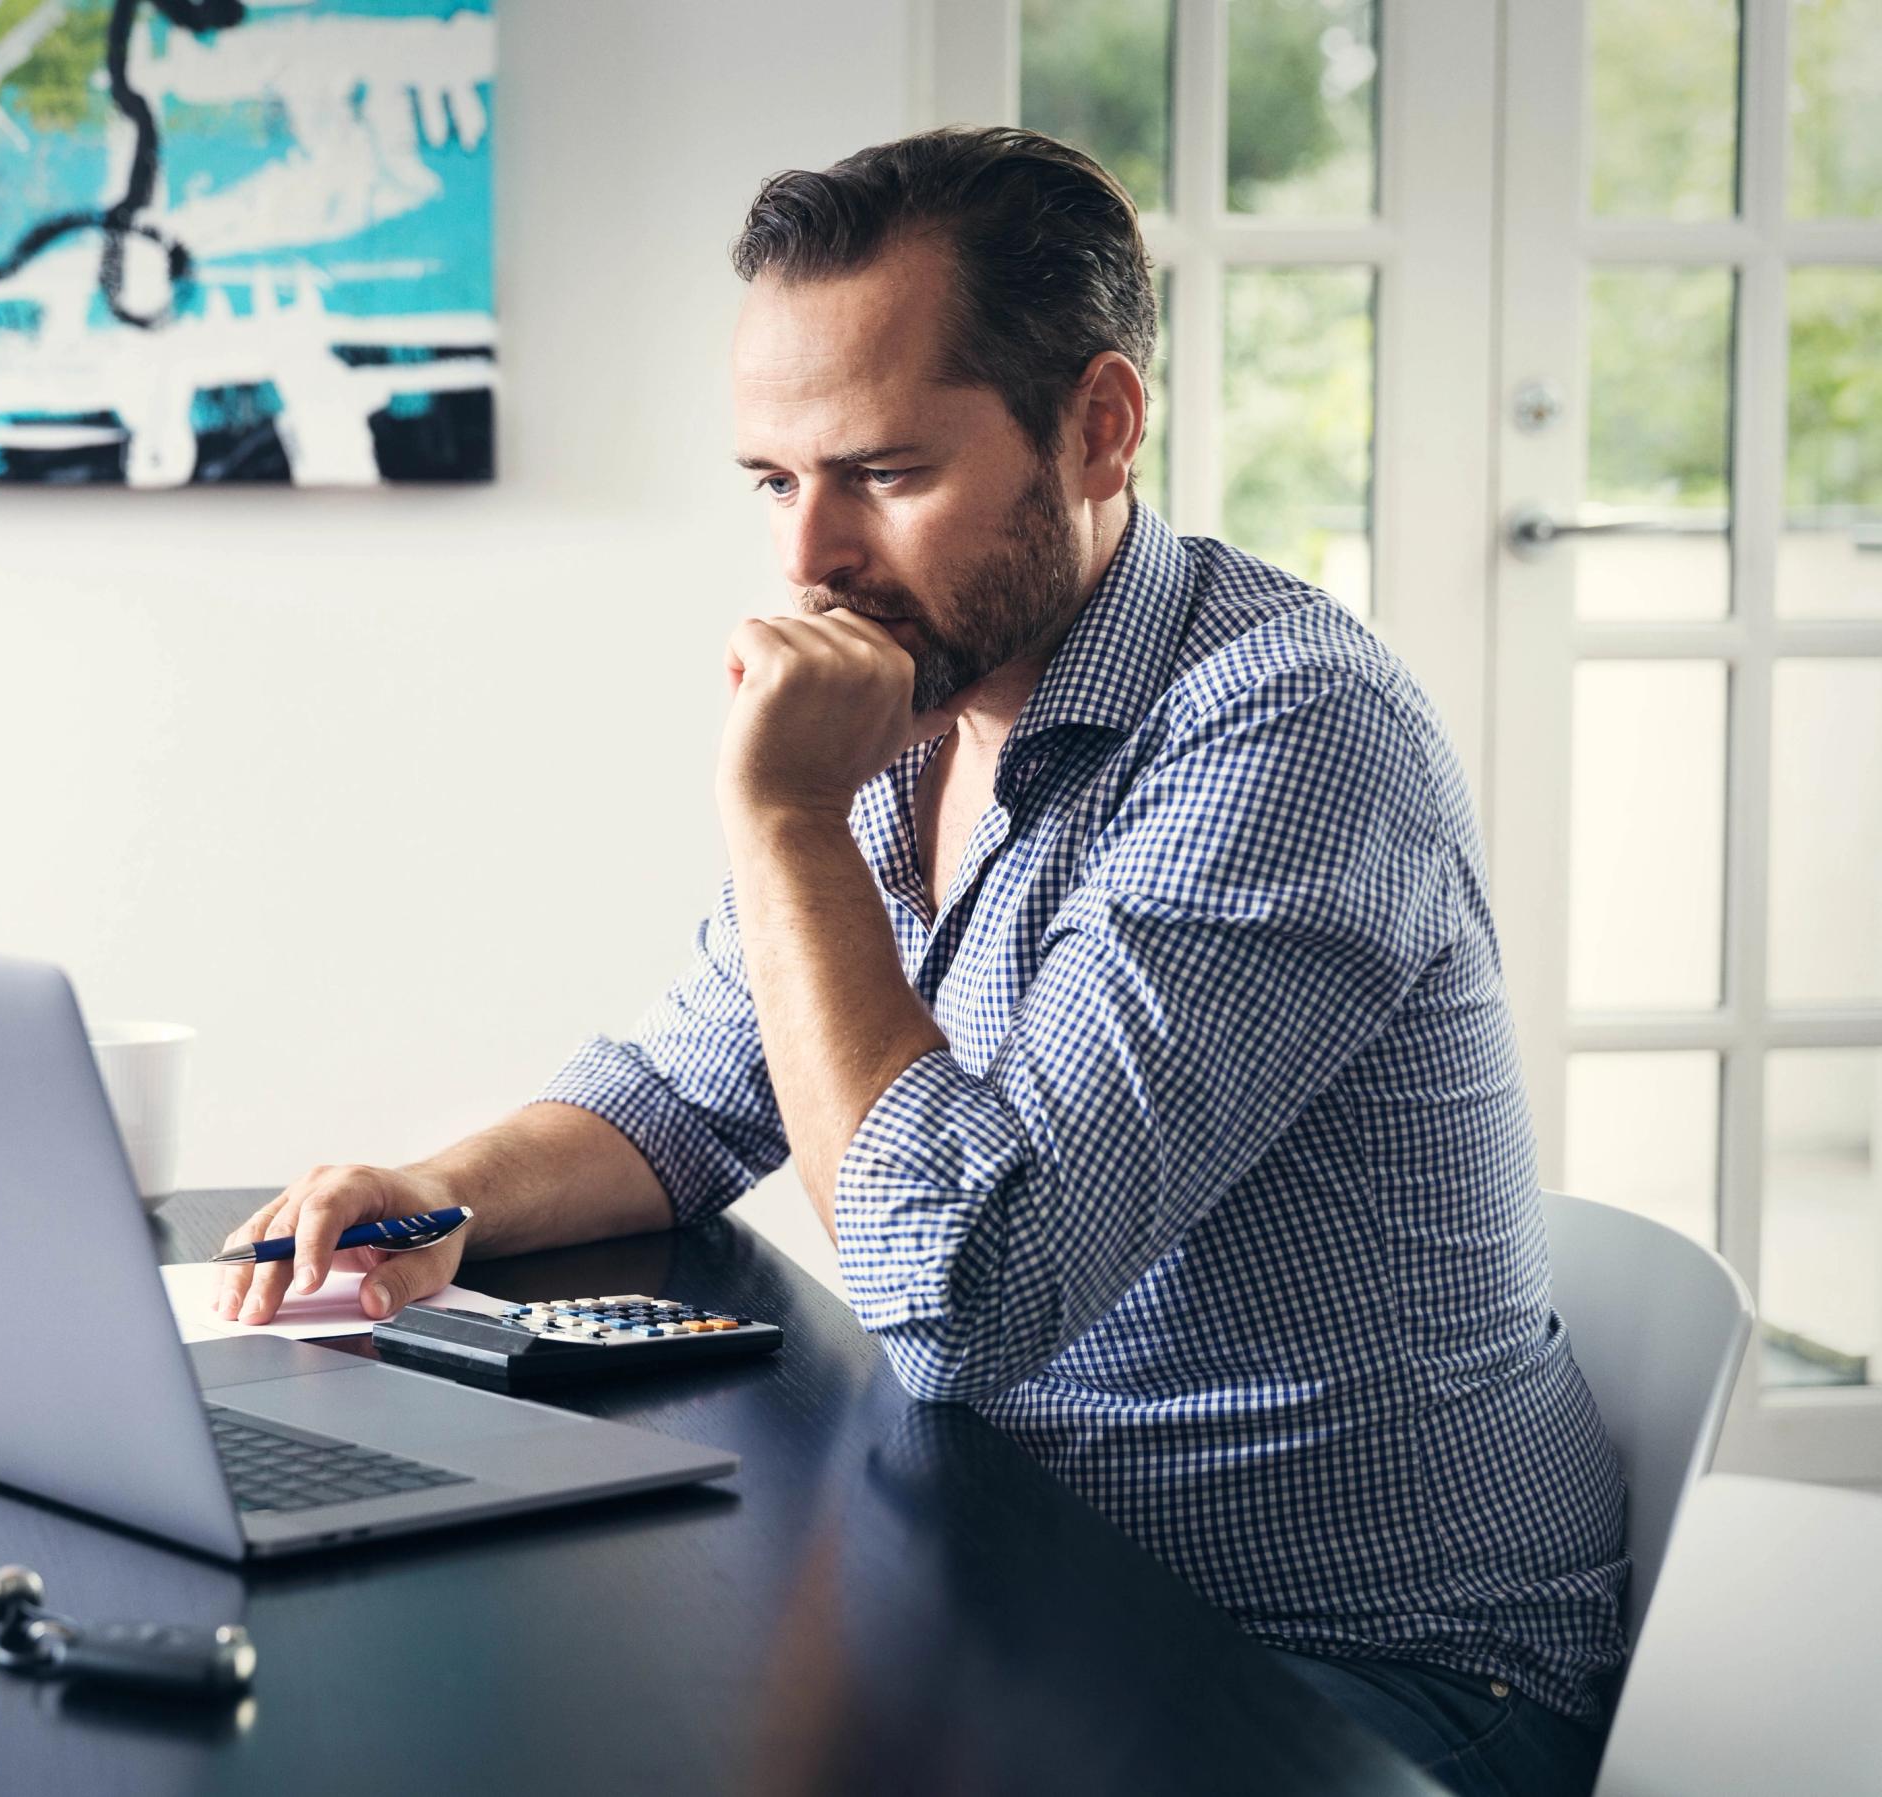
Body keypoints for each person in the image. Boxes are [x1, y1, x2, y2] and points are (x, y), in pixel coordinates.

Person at [214, 126, 1623, 1797]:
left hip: (1362, 1674)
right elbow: (685, 1088)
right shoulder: (915, 698)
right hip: (1032, 1577)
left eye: (881, 474)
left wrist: (787, 818)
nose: (807, 556)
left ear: (1100, 428)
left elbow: (965, 1292)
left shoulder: (1292, 732)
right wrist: (427, 1194)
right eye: (773, 481)